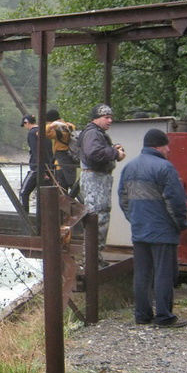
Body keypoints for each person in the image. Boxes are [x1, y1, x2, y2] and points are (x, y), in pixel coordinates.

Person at [118, 129, 187, 328]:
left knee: (142, 273)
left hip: (140, 229)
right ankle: (164, 317)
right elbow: (175, 201)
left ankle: (142, 315)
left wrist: (134, 219)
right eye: (166, 146)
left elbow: (123, 199)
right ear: (158, 146)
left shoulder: (129, 167)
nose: (168, 150)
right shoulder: (165, 168)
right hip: (163, 231)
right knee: (163, 273)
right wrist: (181, 224)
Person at [80, 104, 126, 263]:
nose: (110, 120)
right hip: (95, 180)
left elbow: (96, 152)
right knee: (97, 218)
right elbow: (94, 153)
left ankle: (94, 258)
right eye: (106, 117)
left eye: (110, 117)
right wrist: (115, 153)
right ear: (96, 118)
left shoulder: (95, 133)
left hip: (98, 180)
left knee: (99, 216)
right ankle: (92, 261)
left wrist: (112, 149)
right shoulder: (93, 133)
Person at [19, 114, 53, 213]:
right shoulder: (43, 132)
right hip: (49, 167)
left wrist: (41, 170)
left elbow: (35, 151)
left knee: (23, 192)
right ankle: (46, 218)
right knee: (46, 195)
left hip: (37, 169)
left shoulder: (32, 133)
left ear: (27, 122)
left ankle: (25, 219)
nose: (25, 127)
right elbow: (49, 151)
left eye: (24, 124)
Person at [45, 109, 78, 194]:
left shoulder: (56, 129)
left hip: (61, 158)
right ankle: (72, 199)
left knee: (62, 184)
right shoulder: (70, 126)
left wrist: (51, 126)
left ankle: (65, 202)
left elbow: (41, 133)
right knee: (71, 181)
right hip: (72, 155)